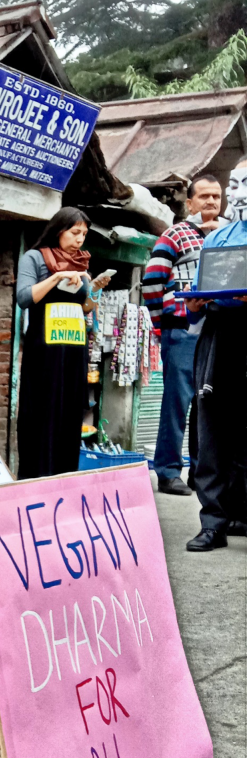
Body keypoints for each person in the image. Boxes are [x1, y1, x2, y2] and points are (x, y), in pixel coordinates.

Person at [15, 207, 111, 481]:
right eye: (75, 232)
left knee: (69, 416)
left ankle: (64, 479)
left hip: (73, 349)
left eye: (84, 234)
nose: (80, 239)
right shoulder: (35, 258)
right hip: (44, 350)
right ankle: (37, 477)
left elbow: (85, 308)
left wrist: (97, 289)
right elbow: (24, 298)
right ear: (59, 231)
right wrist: (56, 277)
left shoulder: (82, 264)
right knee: (42, 414)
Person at [142, 174, 223, 495]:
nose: (211, 202)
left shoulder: (226, 235)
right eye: (203, 196)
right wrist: (163, 328)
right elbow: (151, 282)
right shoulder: (174, 234)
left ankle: (200, 473)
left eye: (216, 196)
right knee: (177, 403)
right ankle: (167, 472)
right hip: (181, 331)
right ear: (189, 203)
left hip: (216, 330)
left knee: (208, 405)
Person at [185, 159, 247, 552]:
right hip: (220, 331)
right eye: (235, 183)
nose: (239, 194)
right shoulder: (217, 239)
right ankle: (214, 522)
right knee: (213, 426)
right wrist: (195, 302)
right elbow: (193, 301)